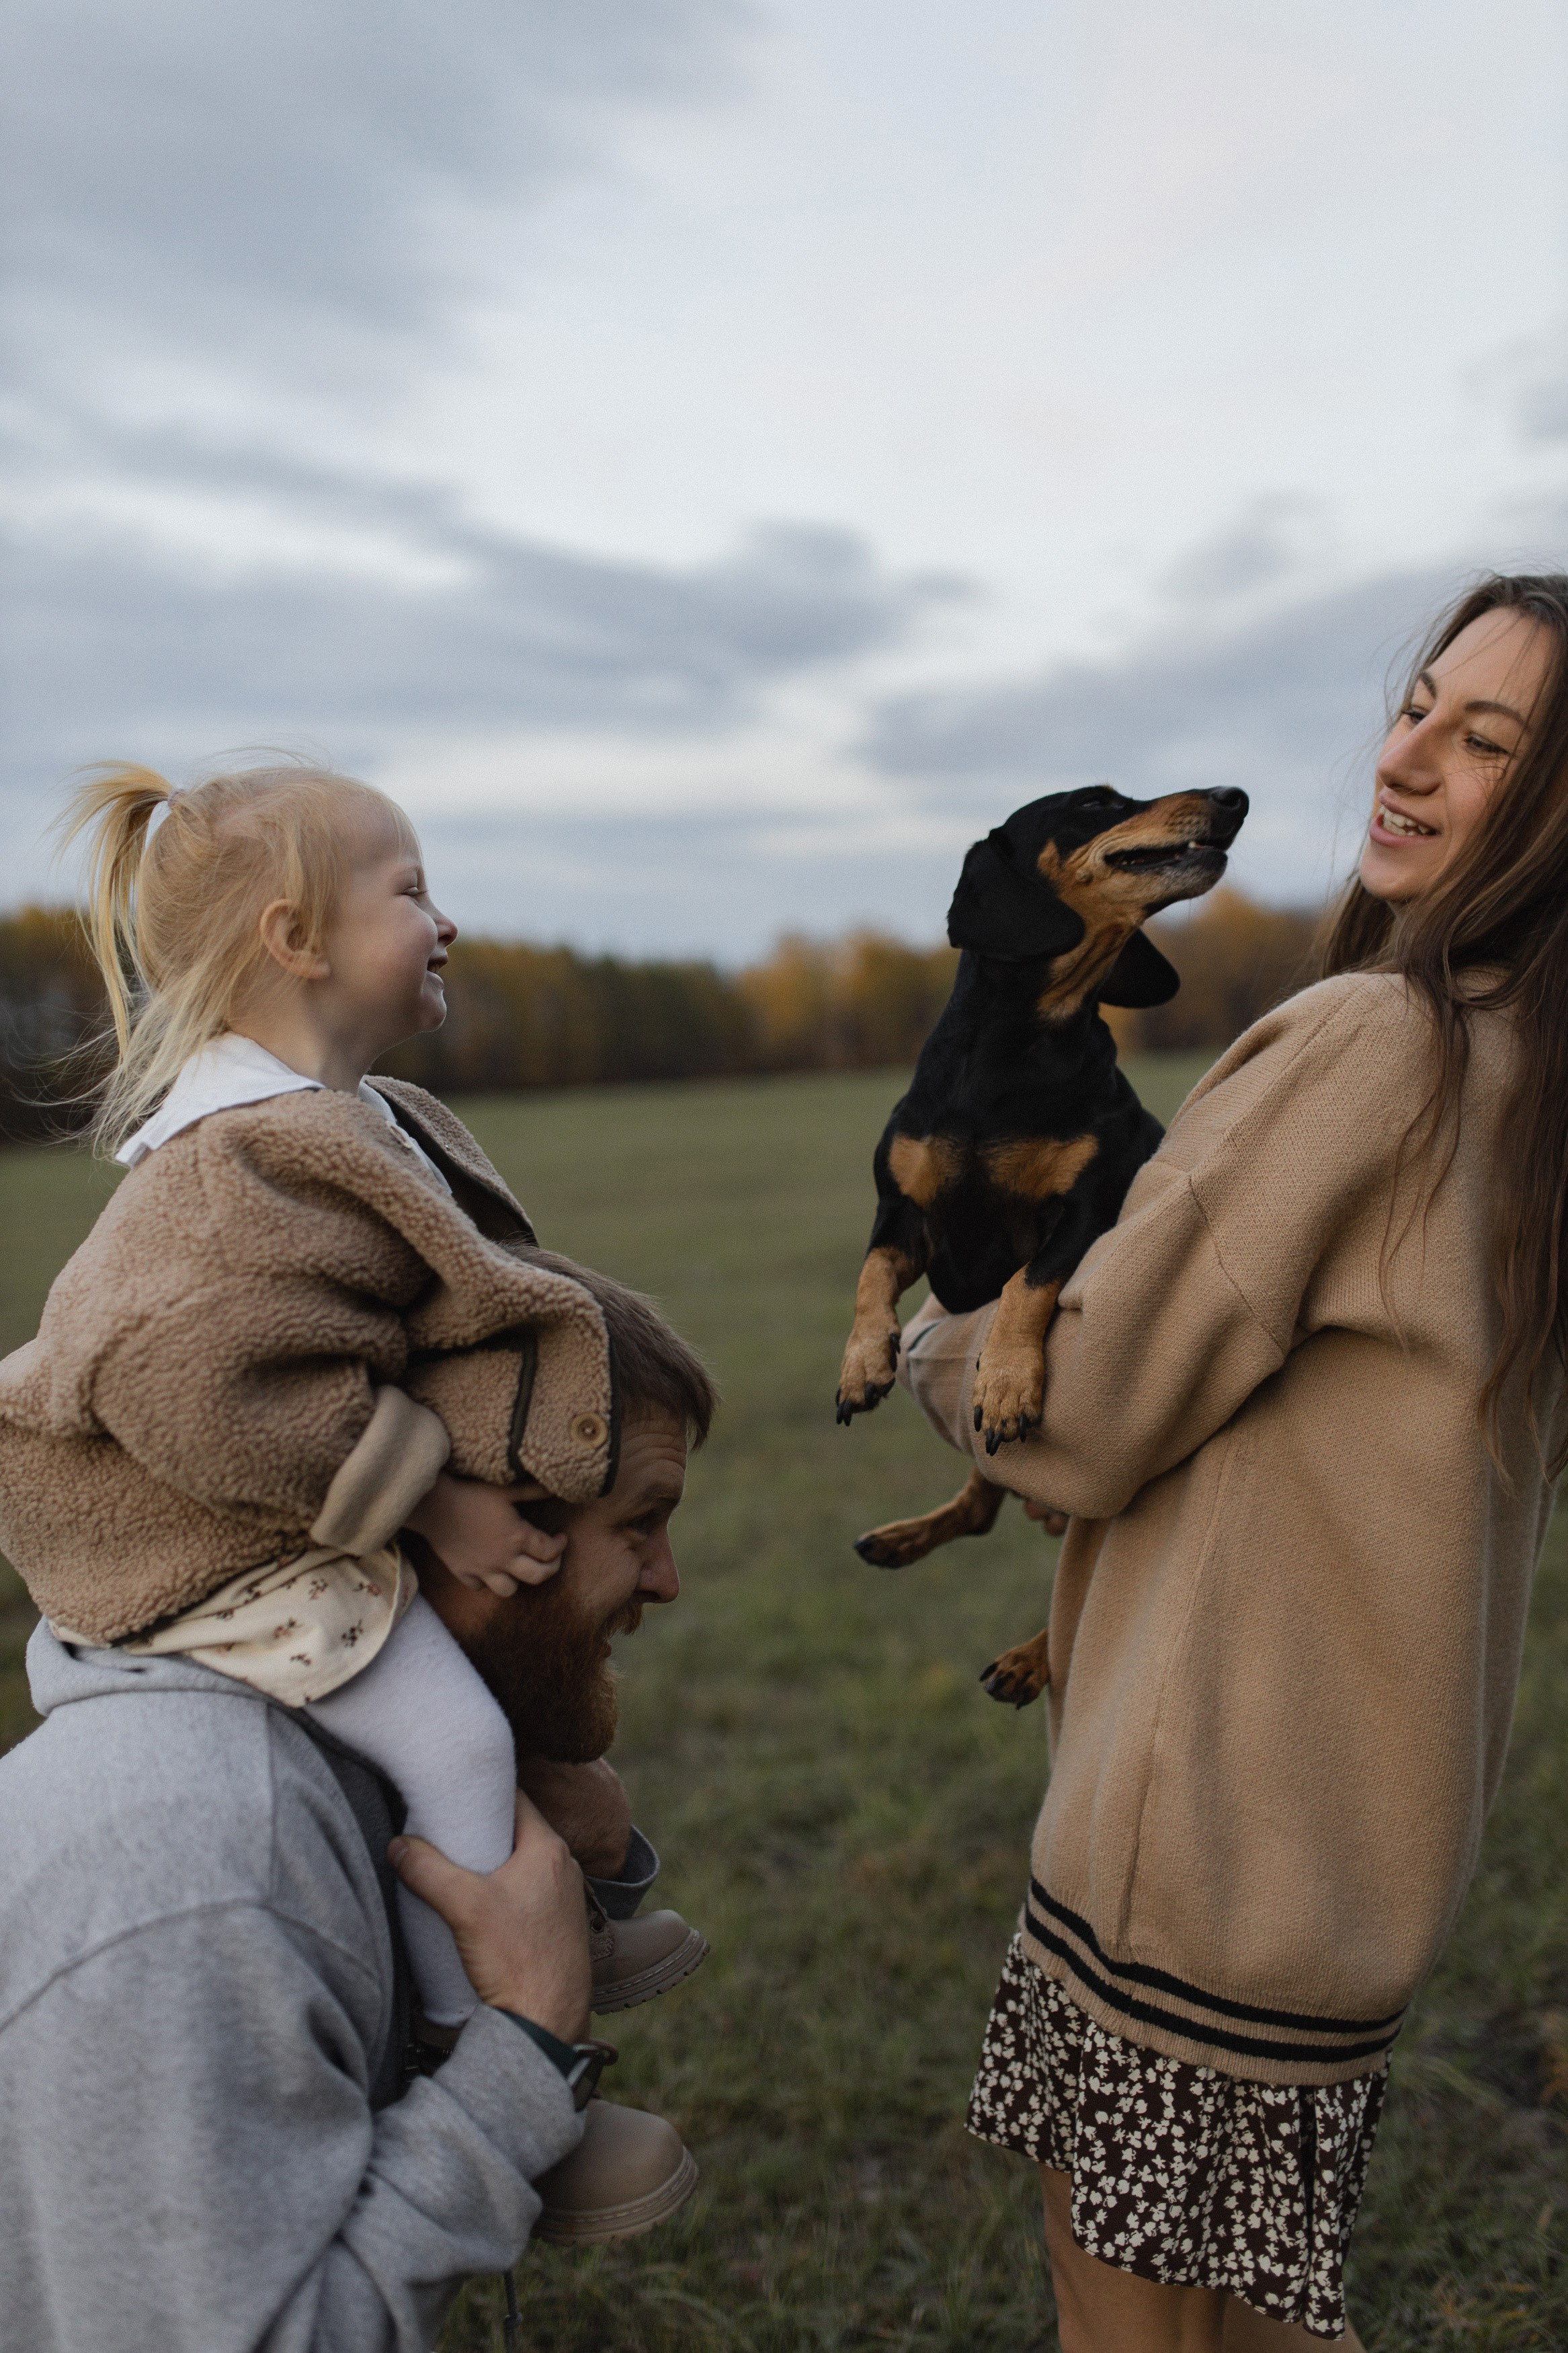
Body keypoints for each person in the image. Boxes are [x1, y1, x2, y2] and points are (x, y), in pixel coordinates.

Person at [896, 575, 1568, 2349]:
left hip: (1196, 1858)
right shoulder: (1530, 1076)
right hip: (1347, 1861)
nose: (1405, 753)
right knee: (1258, 2318)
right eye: (1417, 702)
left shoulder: (1379, 1042)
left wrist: (922, 1343)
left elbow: (1090, 1399)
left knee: (1130, 2319)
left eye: (1484, 740)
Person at [0, 759, 714, 2343]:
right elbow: (192, 1384)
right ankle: (522, 2046)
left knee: (458, 1733)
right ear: (293, 937)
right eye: (409, 888)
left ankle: (560, 1907)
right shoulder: (233, 1161)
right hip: (215, 1549)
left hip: (283, 1522)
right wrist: (443, 1499)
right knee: (455, 1732)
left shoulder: (346, 1118)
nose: (446, 916)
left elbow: (458, 1296)